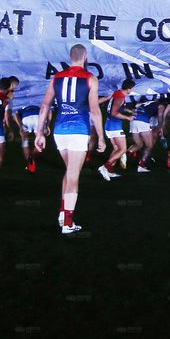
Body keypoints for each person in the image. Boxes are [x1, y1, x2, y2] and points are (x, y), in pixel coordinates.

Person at [35, 45, 104, 234]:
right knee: (73, 175)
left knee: (69, 171)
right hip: (78, 130)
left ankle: (62, 212)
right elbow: (95, 110)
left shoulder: (57, 77)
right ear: (85, 56)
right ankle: (68, 222)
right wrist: (101, 137)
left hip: (60, 130)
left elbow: (44, 106)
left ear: (69, 57)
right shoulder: (90, 78)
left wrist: (39, 133)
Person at [99, 79, 135, 180]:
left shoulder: (117, 94)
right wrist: (128, 118)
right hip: (114, 126)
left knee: (116, 149)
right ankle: (105, 167)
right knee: (122, 149)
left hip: (109, 124)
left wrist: (129, 111)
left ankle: (109, 170)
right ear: (129, 89)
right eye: (133, 88)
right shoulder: (120, 96)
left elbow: (118, 107)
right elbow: (114, 112)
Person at [16, 102, 43, 173]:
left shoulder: (21, 103)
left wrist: (20, 127)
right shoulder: (38, 100)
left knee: (24, 140)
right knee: (39, 140)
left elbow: (15, 115)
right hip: (38, 116)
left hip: (26, 118)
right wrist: (47, 125)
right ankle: (33, 155)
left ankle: (29, 160)